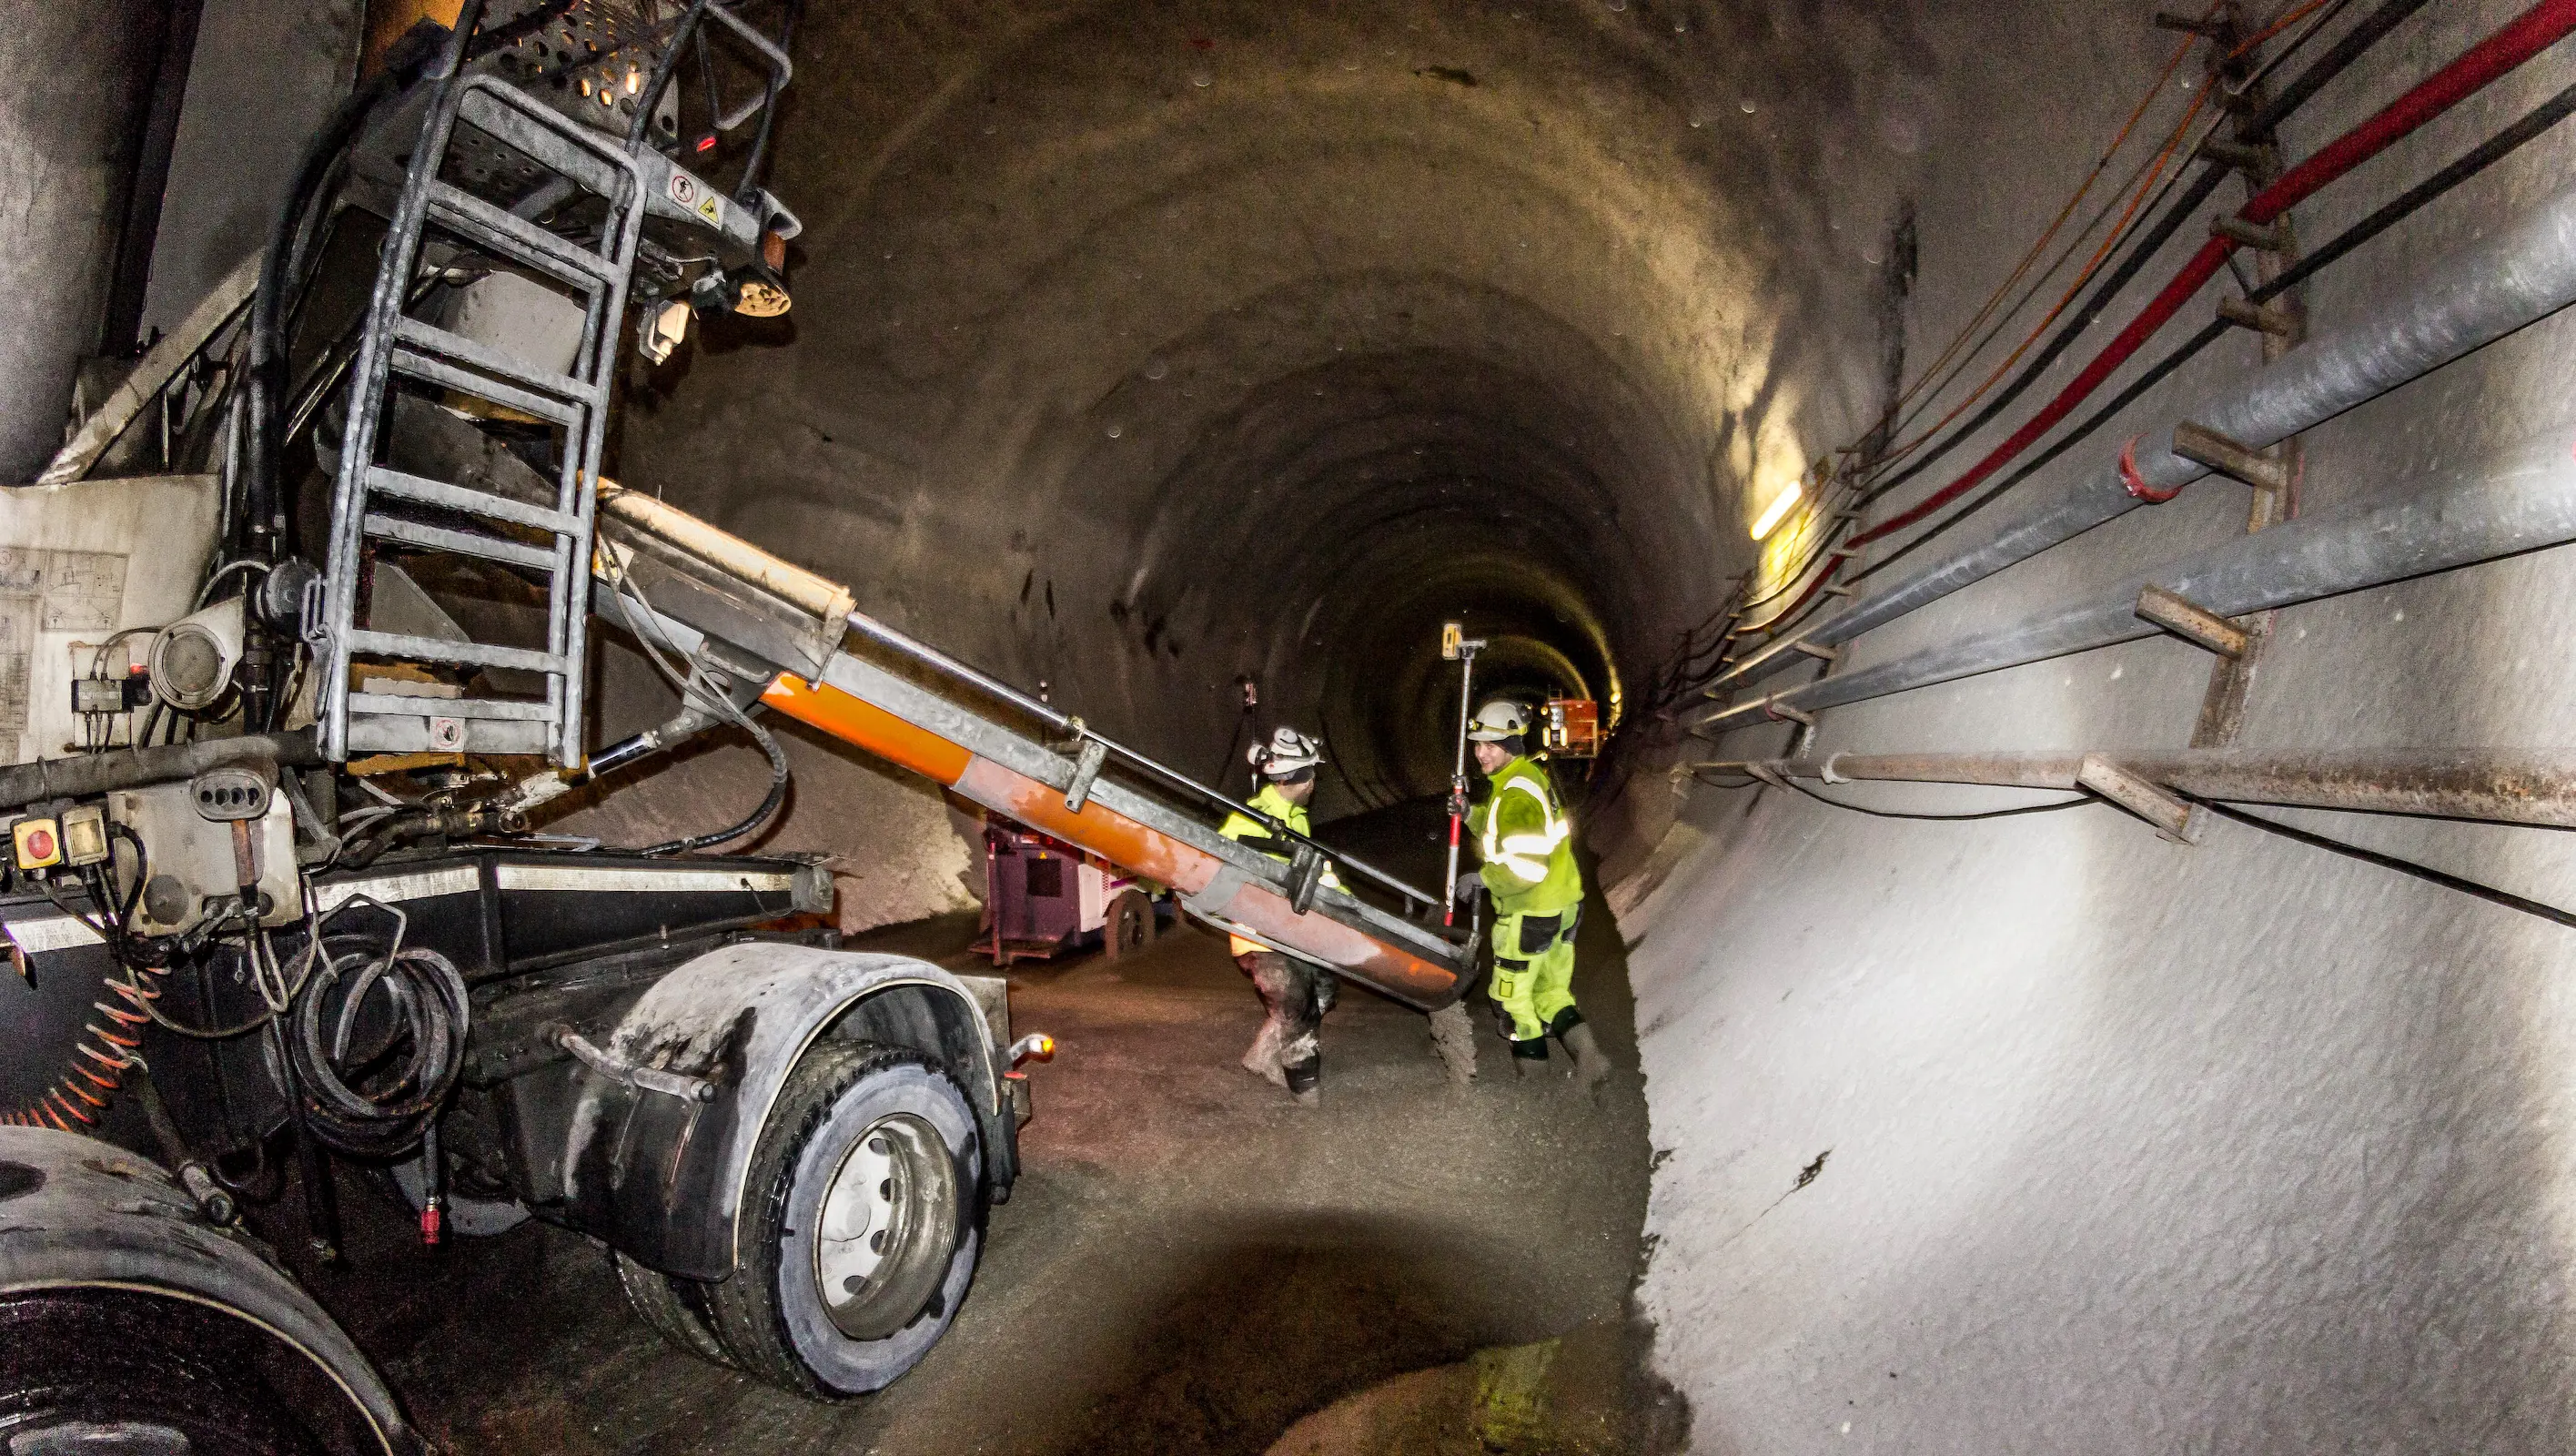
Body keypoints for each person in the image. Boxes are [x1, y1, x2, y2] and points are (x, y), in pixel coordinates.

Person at [1454, 699, 1605, 1086]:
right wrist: (1470, 814)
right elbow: (1502, 827)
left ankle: (1535, 1082)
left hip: (1531, 914)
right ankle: (1589, 1056)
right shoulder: (1524, 780)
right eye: (1477, 743)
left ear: (1512, 745)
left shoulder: (1516, 795)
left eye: (1490, 745)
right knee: (1552, 991)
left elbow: (1527, 867)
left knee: (1512, 998)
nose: (1480, 752)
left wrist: (1484, 879)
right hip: (1564, 905)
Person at [1217, 726, 1341, 1105]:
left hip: (1293, 930)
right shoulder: (1249, 819)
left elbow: (1318, 876)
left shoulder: (1297, 819)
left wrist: (1348, 906)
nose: (1315, 782)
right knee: (1297, 1012)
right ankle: (1308, 1100)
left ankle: (1262, 1055)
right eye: (1312, 775)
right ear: (1299, 778)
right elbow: (1218, 863)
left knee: (1324, 990)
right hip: (1261, 935)